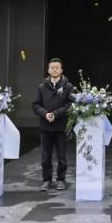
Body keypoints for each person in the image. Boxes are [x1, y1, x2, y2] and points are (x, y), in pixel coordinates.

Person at [32, 58, 75, 191]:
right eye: (52, 67)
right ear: (48, 70)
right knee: (45, 157)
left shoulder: (68, 86)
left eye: (57, 67)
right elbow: (36, 105)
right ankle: (47, 180)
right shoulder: (41, 87)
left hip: (61, 127)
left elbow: (70, 104)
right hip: (46, 127)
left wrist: (55, 114)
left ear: (61, 70)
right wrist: (45, 114)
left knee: (62, 157)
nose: (55, 70)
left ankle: (61, 180)